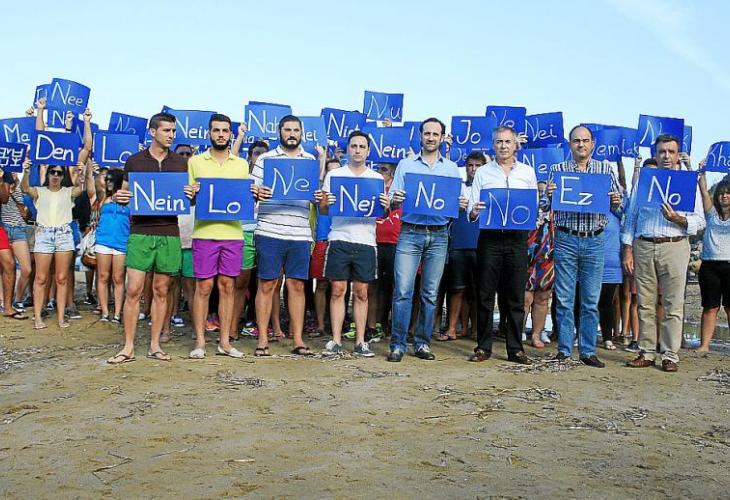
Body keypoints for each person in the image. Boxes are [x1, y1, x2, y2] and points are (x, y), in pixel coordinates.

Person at [106, 112, 189, 364]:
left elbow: (187, 198)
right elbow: (125, 194)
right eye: (166, 130)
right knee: (133, 290)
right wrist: (120, 197)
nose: (171, 135)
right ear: (153, 132)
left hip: (169, 232)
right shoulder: (134, 161)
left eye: (173, 131)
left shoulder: (181, 163)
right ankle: (128, 347)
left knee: (162, 290)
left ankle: (155, 346)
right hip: (140, 232)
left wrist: (192, 194)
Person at [387, 118, 469, 362]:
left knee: (430, 293)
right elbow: (391, 202)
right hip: (410, 233)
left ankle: (422, 343)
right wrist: (395, 200)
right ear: (420, 136)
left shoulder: (452, 169)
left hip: (439, 234)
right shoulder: (405, 165)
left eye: (435, 134)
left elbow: (460, 204)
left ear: (442, 138)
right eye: (427, 133)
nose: (431, 137)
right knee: (403, 291)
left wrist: (462, 205)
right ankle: (398, 345)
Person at [542, 125, 624, 368]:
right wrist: (548, 195)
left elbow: (618, 208)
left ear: (592, 144)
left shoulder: (604, 170)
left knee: (590, 300)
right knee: (564, 298)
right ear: (570, 144)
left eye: (585, 140)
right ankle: (564, 350)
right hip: (566, 238)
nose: (581, 145)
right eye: (576, 140)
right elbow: (544, 207)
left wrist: (616, 201)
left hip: (595, 239)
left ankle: (588, 351)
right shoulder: (558, 170)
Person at [623, 135, 705, 372]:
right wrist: (627, 249)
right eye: (662, 152)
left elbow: (700, 220)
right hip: (644, 244)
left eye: (671, 151)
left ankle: (670, 355)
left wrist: (678, 219)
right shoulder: (644, 181)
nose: (666, 156)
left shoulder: (688, 182)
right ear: (655, 154)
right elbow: (631, 217)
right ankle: (647, 352)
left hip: (675, 245)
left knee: (673, 303)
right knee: (645, 302)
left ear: (678, 155)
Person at [187, 113, 256, 359]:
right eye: (216, 130)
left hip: (233, 234)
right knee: (203, 287)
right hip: (204, 233)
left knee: (228, 286)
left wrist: (254, 194)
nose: (220, 134)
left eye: (225, 130)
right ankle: (200, 342)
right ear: (209, 133)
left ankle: (225, 342)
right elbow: (189, 199)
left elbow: (243, 198)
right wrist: (191, 193)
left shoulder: (241, 164)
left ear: (230, 134)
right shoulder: (195, 162)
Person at [467, 127, 537, 364]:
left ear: (516, 144)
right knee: (485, 295)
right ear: (493, 145)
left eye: (508, 141)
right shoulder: (483, 172)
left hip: (517, 239)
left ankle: (515, 349)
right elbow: (471, 210)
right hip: (490, 239)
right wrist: (474, 211)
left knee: (516, 296)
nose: (504, 146)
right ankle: (483, 347)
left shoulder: (527, 172)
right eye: (499, 142)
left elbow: (533, 206)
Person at [316, 130, 389, 357]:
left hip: (366, 241)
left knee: (362, 292)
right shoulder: (334, 175)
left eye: (362, 146)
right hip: (339, 237)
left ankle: (360, 342)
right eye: (354, 146)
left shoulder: (376, 178)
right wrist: (325, 202)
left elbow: (383, 213)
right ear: (347, 149)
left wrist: (386, 206)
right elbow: (323, 210)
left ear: (368, 151)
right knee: (337, 290)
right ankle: (336, 340)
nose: (357, 150)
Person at [250, 115, 315, 357]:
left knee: (297, 285)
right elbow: (251, 192)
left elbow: (314, 195)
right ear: (279, 132)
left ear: (302, 133)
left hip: (299, 233)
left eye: (296, 130)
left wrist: (318, 196)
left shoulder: (310, 161)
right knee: (267, 284)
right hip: (269, 230)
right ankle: (263, 339)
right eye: (287, 129)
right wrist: (257, 193)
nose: (291, 134)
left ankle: (297, 339)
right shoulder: (265, 159)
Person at [20, 158, 85, 329]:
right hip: (44, 234)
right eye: (53, 172)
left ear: (63, 176)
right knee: (41, 278)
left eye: (59, 173)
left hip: (64, 235)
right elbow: (25, 188)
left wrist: (83, 172)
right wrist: (26, 172)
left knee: (62, 278)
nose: (56, 175)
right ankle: (38, 317)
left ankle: (61, 317)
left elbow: (82, 188)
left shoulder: (68, 191)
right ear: (48, 174)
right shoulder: (39, 191)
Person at [439, 152, 485, 342]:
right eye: (470, 165)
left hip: (481, 243)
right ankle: (452, 329)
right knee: (456, 288)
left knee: (478, 290)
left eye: (477, 166)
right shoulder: (457, 188)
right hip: (458, 243)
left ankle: (476, 330)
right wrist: (455, 206)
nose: (473, 169)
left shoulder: (489, 188)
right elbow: (442, 209)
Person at [694, 167, 730, 352]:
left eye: (728, 193)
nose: (724, 196)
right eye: (721, 193)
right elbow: (703, 192)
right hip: (709, 265)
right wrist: (702, 173)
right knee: (710, 307)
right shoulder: (711, 214)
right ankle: (704, 345)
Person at [366, 162, 401, 341]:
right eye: (379, 168)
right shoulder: (371, 187)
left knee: (396, 287)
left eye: (385, 169)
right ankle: (371, 326)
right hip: (374, 240)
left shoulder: (401, 190)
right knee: (372, 285)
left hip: (397, 243)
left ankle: (392, 326)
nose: (381, 172)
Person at [92, 168, 130, 323]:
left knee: (118, 278)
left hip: (122, 242)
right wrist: (91, 168)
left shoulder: (130, 199)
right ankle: (105, 311)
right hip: (103, 241)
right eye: (106, 179)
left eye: (111, 179)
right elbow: (94, 184)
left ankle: (118, 313)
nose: (108, 182)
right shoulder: (103, 197)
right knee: (103, 276)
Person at [309, 157, 339, 338]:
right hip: (322, 240)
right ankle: (320, 324)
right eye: (330, 170)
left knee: (339, 285)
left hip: (340, 240)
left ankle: (336, 323)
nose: (333, 173)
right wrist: (322, 157)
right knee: (321, 284)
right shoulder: (319, 194)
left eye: (337, 170)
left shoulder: (347, 192)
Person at [1, 171, 32, 315]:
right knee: (5, 266)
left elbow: (27, 211)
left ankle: (16, 299)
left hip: (18, 228)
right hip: (4, 226)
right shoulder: (4, 178)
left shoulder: (21, 184)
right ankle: (3, 301)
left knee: (25, 269)